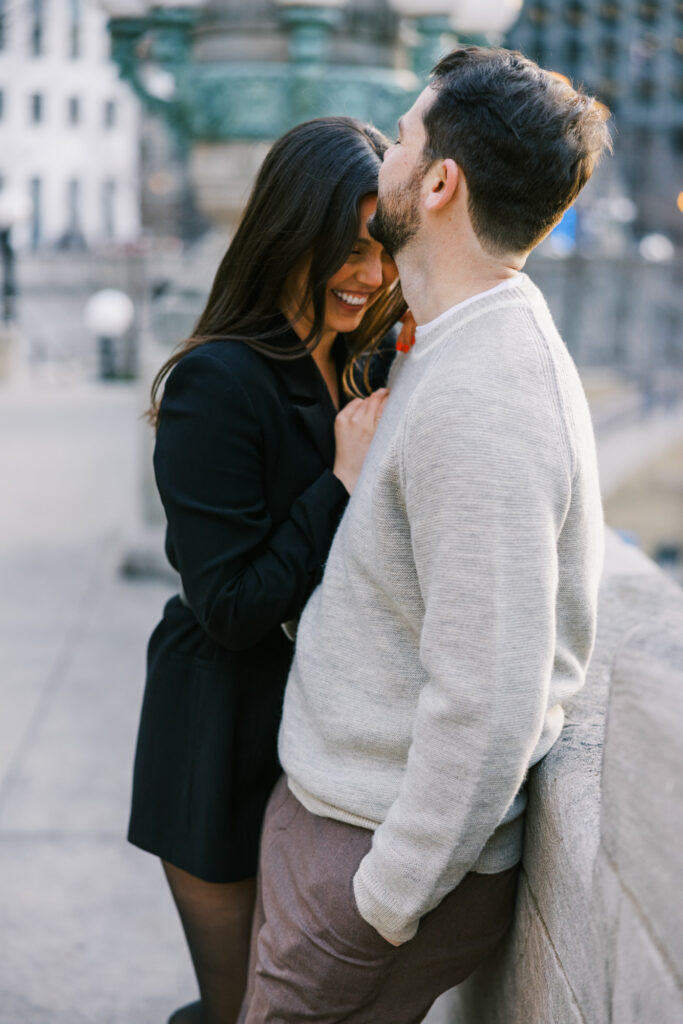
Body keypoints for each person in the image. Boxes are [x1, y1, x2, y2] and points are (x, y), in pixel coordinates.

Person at [241, 46, 612, 1024]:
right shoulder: (455, 345)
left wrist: (382, 900)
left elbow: (491, 698)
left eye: (402, 138)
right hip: (336, 821)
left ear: (439, 182)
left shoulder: (485, 395)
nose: (385, 161)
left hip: (363, 864)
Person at [126, 116, 402, 1024]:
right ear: (290, 232)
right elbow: (232, 604)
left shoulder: (359, 369)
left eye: (386, 250)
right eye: (349, 249)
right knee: (245, 1007)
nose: (371, 275)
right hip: (220, 731)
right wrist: (339, 481)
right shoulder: (217, 381)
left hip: (323, 734)